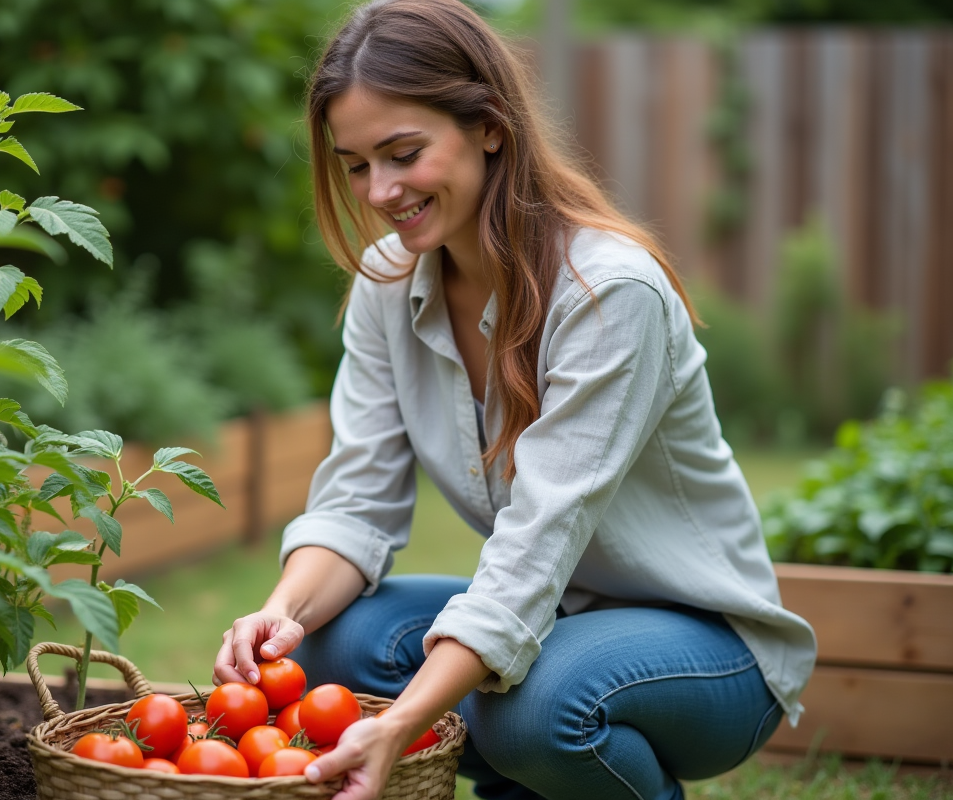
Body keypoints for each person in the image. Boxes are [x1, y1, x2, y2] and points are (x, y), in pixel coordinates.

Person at [212, 1, 817, 798]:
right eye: (356, 164)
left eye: (403, 153)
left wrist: (400, 722)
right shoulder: (387, 284)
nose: (381, 190)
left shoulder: (608, 293)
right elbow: (356, 501)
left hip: (711, 651)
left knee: (532, 705)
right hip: (559, 622)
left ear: (490, 126)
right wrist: (281, 613)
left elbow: (539, 539)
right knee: (327, 648)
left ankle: (546, 768)